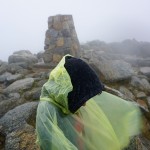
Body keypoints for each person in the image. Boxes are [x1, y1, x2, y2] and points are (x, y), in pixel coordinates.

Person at [36, 54, 142, 150]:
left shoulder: (67, 99)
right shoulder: (47, 113)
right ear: (69, 94)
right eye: (81, 99)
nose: (85, 104)